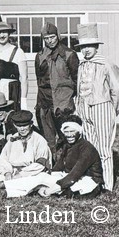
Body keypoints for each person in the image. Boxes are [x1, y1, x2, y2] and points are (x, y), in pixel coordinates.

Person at [0, 115, 103, 198]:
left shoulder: (87, 148)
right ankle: (8, 192)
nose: (69, 135)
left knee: (42, 180)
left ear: (79, 131)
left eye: (72, 131)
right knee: (41, 177)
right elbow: (58, 167)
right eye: (66, 132)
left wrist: (49, 190)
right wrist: (49, 179)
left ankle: (6, 186)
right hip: (70, 178)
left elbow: (74, 175)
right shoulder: (68, 145)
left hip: (88, 183)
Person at [75, 23, 119, 191]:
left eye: (90, 46)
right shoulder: (82, 64)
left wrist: (112, 110)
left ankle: (108, 185)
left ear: (96, 46)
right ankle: (95, 181)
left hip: (101, 107)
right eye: (83, 46)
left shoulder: (105, 64)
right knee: (90, 147)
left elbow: (117, 89)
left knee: (104, 148)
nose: (87, 49)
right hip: (84, 109)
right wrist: (79, 107)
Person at [35, 22, 79, 159]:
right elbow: (39, 80)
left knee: (67, 136)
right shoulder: (40, 55)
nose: (50, 41)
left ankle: (71, 165)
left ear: (58, 36)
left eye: (52, 37)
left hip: (63, 103)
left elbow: (76, 80)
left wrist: (70, 100)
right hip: (44, 103)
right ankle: (52, 167)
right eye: (46, 38)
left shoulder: (69, 54)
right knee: (48, 139)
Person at [0, 0, 28, 111]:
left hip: (12, 91)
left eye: (4, 32)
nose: (2, 35)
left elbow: (24, 78)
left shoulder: (18, 52)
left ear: (9, 34)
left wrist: (23, 100)